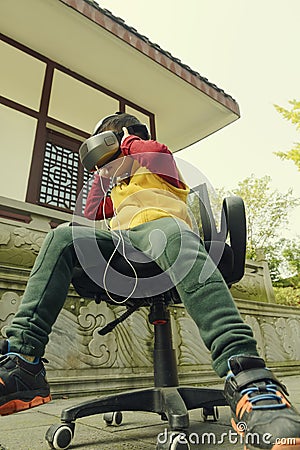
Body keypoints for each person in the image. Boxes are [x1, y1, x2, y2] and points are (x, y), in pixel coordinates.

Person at [0, 113, 299, 449]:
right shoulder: (116, 184)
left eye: (107, 143)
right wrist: (104, 171)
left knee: (170, 231)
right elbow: (93, 211)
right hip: (125, 248)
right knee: (63, 237)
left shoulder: (157, 162)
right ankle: (23, 363)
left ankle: (248, 378)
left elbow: (154, 153)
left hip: (167, 234)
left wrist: (123, 142)